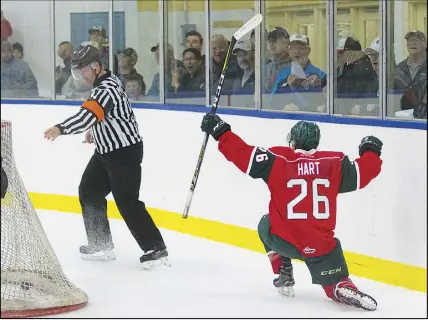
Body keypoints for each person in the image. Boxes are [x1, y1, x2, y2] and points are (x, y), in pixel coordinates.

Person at [200, 113, 383, 311]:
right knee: (335, 282)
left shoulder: (277, 159)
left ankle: (283, 273)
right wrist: (370, 149)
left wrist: (220, 131)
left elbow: (242, 153)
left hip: (284, 241)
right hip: (321, 246)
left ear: (293, 142)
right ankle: (341, 287)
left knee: (265, 224)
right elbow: (366, 170)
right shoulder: (335, 162)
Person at [43, 44, 168, 269]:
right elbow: (103, 115)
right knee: (89, 191)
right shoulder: (102, 84)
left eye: (83, 70)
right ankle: (100, 244)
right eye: (77, 71)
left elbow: (86, 116)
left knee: (127, 201)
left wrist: (60, 128)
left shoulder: (106, 88)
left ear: (96, 66)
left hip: (124, 153)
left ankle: (156, 250)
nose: (81, 75)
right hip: (105, 152)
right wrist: (95, 130)